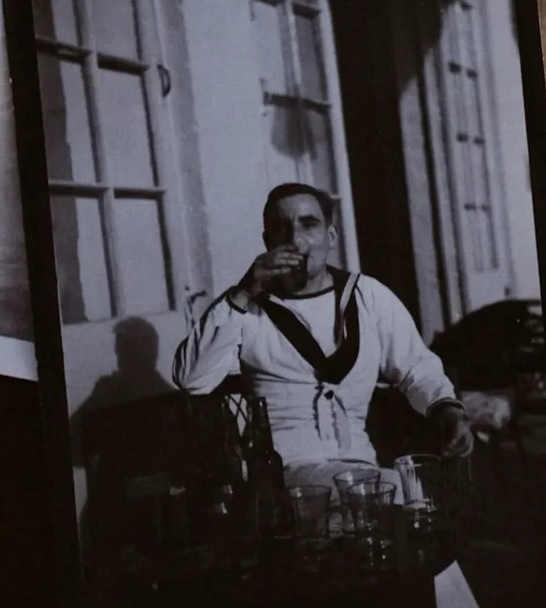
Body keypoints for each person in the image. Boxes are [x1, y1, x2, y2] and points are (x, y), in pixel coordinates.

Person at [174, 183, 474, 491]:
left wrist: (449, 412)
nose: (295, 240)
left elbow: (417, 369)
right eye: (281, 229)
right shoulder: (246, 309)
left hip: (360, 468)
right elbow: (192, 379)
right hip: (283, 476)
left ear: (330, 237)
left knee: (409, 495)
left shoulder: (366, 296)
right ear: (267, 242)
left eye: (309, 225)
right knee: (391, 497)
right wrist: (242, 291)